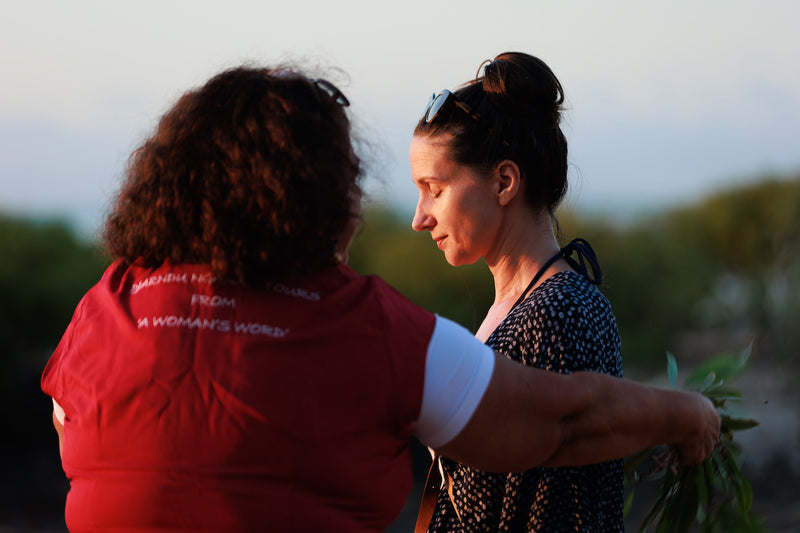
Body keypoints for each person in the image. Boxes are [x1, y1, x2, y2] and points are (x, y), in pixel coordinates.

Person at [41, 64, 719, 533]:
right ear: (308, 195)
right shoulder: (363, 327)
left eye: (433, 188)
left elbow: (76, 426)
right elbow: (562, 423)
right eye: (350, 180)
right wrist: (686, 413)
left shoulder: (105, 305)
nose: (398, 214)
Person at [409, 52, 622, 531]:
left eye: (434, 189)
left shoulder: (556, 316)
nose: (419, 218)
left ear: (504, 181)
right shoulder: (520, 307)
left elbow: (558, 514)